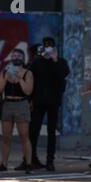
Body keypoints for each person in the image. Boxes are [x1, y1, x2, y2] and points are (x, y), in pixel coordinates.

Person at [28, 37, 70, 172]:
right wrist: (30, 99)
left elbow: (63, 74)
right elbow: (30, 77)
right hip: (38, 100)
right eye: (46, 46)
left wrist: (55, 59)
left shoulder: (60, 62)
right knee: (33, 131)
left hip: (53, 101)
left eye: (50, 46)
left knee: (52, 132)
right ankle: (31, 159)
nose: (48, 48)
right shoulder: (37, 62)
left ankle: (50, 161)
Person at [0, 49, 34, 175]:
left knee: (24, 136)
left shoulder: (28, 73)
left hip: (21, 104)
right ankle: (3, 164)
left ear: (23, 58)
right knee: (6, 137)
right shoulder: (5, 71)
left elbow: (28, 91)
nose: (16, 58)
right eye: (14, 56)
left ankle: (28, 164)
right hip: (8, 104)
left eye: (18, 56)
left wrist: (19, 78)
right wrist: (6, 76)